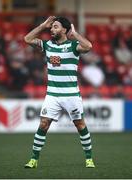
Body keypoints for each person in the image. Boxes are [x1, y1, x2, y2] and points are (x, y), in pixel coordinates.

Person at [24, 16, 95, 168]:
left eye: (55, 26)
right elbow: (27, 38)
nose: (52, 29)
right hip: (53, 95)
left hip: (71, 95)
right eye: (51, 27)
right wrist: (43, 25)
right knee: (43, 124)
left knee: (80, 125)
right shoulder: (47, 45)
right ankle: (34, 159)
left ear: (64, 29)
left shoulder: (74, 45)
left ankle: (89, 158)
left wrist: (75, 34)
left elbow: (88, 46)